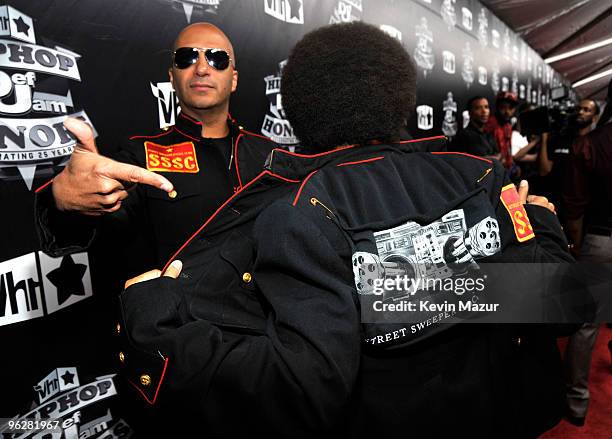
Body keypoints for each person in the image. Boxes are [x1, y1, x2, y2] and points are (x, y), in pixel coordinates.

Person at [115, 22, 574, 438]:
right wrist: (542, 220)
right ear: (402, 95)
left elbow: (303, 390)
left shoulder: (298, 211)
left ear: (297, 107)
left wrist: (154, 319)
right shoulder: (478, 175)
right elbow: (562, 302)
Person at [36, 23, 277, 268]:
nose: (202, 69)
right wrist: (61, 202)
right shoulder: (140, 156)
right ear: (172, 77)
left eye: (217, 59)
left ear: (233, 79)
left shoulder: (268, 153)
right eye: (187, 58)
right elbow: (102, 224)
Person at [562, 86, 611, 427]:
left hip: (599, 240)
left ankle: (576, 403)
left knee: (586, 324)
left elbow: (575, 206)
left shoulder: (590, 144)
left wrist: (576, 246)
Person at [485, 91, 520, 176]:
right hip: (494, 171)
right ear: (497, 107)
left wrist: (512, 165)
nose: (507, 111)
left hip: (507, 170)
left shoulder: (508, 125)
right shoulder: (490, 124)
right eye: (503, 107)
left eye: (511, 108)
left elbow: (508, 148)